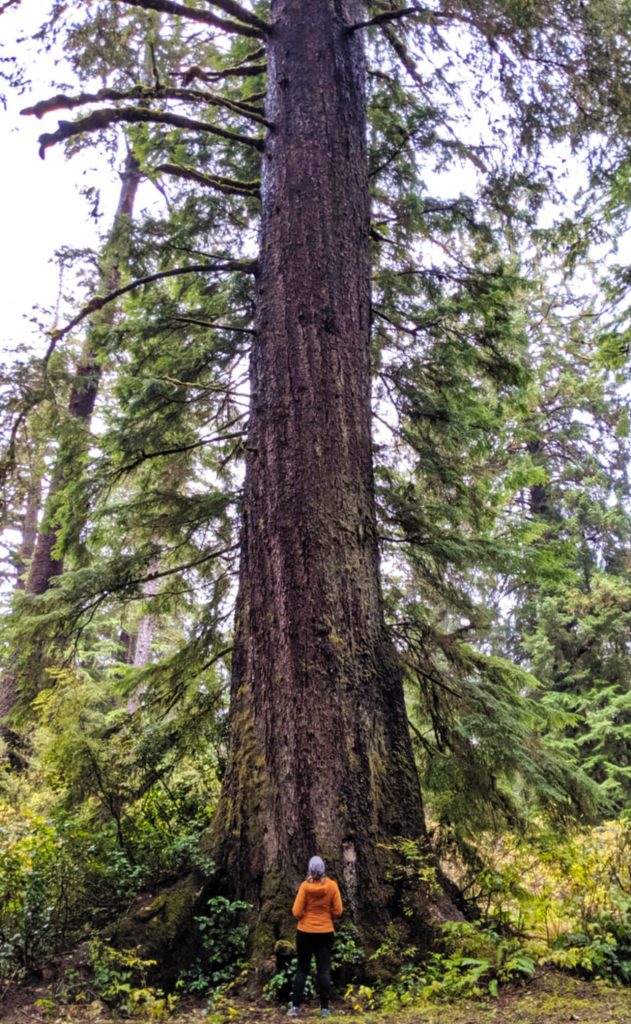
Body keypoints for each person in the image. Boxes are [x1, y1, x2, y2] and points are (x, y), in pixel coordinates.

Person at [287, 855, 343, 1018]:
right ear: (323, 870)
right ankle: (325, 1008)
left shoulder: (305, 887)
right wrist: (327, 916)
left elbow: (296, 912)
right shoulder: (332, 886)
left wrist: (307, 915)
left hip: (305, 932)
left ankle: (295, 1006)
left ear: (310, 870)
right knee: (323, 970)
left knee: (302, 969)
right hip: (325, 932)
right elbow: (338, 911)